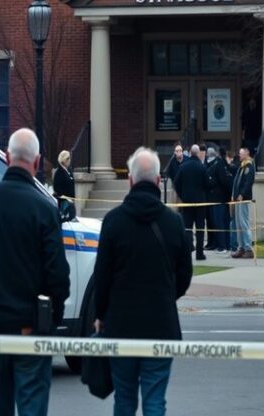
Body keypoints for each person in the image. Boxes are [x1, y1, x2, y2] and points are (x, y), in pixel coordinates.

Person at [0, 128, 70, 416]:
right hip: (30, 326)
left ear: (6, 157)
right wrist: (51, 319)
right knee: (32, 404)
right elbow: (58, 274)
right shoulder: (44, 208)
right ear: (37, 161)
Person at [93, 147, 193, 416]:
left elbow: (101, 277)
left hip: (120, 324)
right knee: (155, 400)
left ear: (130, 181)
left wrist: (101, 314)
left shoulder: (113, 222)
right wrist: (167, 295)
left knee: (124, 399)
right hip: (161, 323)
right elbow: (185, 275)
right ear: (159, 181)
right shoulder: (174, 223)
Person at [173, 143, 208, 260]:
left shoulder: (183, 166)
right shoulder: (202, 167)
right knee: (200, 228)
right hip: (200, 203)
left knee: (187, 227)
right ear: (198, 153)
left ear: (190, 153)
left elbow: (176, 183)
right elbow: (207, 184)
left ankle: (188, 251)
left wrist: (182, 194)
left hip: (187, 202)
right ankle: (199, 253)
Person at [205, 146, 232, 254]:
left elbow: (223, 181)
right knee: (220, 222)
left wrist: (212, 183)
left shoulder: (219, 165)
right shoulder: (219, 165)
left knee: (220, 222)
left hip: (219, 199)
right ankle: (223, 244)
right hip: (218, 199)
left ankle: (223, 245)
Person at [231, 146, 255, 259]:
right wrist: (234, 195)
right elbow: (237, 182)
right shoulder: (242, 166)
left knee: (244, 223)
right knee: (238, 223)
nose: (239, 155)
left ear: (247, 153)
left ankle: (248, 248)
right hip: (237, 199)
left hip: (243, 199)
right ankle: (241, 248)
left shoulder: (249, 166)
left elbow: (248, 182)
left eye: (241, 153)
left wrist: (241, 194)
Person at [53, 149, 76, 220]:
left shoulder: (69, 171)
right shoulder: (59, 172)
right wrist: (65, 197)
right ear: (64, 160)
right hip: (64, 202)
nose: (69, 160)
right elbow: (57, 188)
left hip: (70, 201)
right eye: (68, 158)